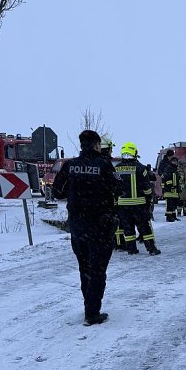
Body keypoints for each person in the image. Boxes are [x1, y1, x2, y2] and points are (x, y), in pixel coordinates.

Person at [51, 130, 123, 326]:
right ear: (97, 145)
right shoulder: (104, 165)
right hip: (100, 224)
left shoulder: (70, 166)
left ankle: (88, 308)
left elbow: (56, 192)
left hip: (78, 225)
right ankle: (92, 313)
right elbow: (119, 188)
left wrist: (76, 191)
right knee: (98, 269)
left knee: (85, 267)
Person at [115, 142, 161, 255]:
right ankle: (151, 249)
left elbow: (114, 188)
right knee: (145, 228)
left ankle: (131, 249)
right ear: (134, 153)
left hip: (123, 205)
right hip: (139, 205)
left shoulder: (116, 169)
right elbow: (147, 187)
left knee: (128, 228)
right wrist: (149, 198)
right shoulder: (141, 168)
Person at [160, 152, 182, 222]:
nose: (175, 163)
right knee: (169, 204)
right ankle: (169, 217)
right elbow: (166, 178)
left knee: (174, 204)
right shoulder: (168, 168)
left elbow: (177, 179)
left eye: (176, 161)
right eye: (173, 161)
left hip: (175, 190)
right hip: (169, 190)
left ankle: (173, 216)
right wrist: (171, 186)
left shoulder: (175, 169)